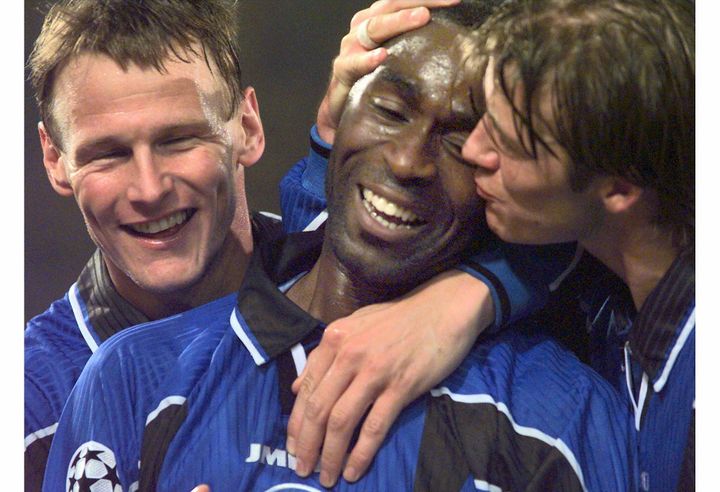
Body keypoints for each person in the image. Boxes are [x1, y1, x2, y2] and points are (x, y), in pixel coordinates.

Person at [43, 4, 633, 491]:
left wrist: (476, 293)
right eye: (390, 110)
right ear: (336, 118)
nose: (407, 161)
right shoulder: (124, 379)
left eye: (458, 140)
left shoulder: (563, 417)